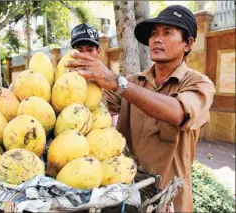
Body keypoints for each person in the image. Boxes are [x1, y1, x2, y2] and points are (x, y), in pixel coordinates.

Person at [66, 5, 215, 212]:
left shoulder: (199, 84)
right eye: (154, 33)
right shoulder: (134, 82)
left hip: (169, 200)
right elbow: (89, 104)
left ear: (188, 44)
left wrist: (118, 83)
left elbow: (178, 112)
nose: (157, 39)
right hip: (127, 195)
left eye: (167, 33)